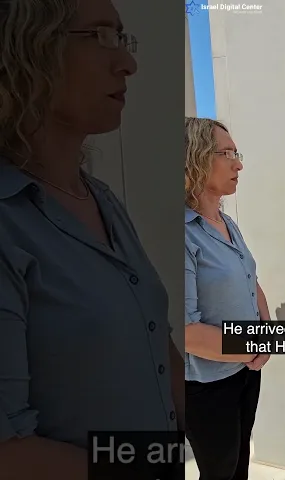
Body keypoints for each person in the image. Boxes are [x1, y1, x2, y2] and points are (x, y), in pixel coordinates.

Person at [0, 0, 183, 478]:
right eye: (100, 36)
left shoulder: (100, 197)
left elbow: (154, 338)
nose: (128, 62)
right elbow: (8, 452)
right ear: (25, 47)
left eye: (121, 38)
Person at [184, 117, 272, 480]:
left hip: (245, 371)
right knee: (219, 470)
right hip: (206, 386)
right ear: (196, 156)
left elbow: (252, 281)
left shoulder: (226, 223)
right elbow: (186, 332)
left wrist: (267, 334)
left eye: (237, 154)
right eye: (227, 153)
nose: (238, 165)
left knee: (240, 460)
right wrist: (254, 347)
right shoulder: (181, 234)